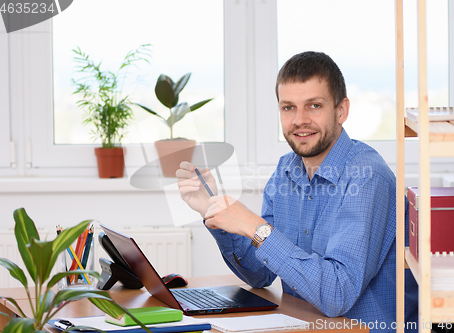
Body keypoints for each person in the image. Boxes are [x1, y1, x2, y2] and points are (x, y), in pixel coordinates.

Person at [176, 51, 418, 332]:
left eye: (314, 105)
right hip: (303, 325)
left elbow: (336, 294)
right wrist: (214, 209)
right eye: (288, 108)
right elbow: (260, 274)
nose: (299, 120)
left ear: (342, 111)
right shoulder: (286, 169)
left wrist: (256, 227)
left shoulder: (367, 177)